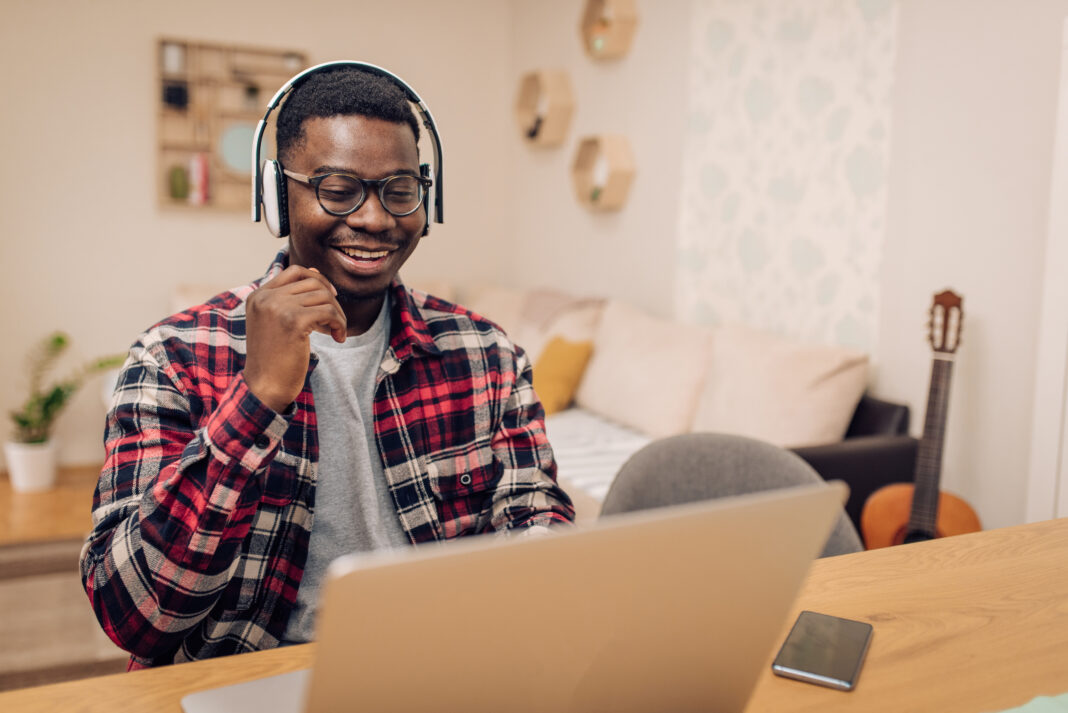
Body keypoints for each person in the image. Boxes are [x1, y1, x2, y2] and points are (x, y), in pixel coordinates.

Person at [79, 63, 575, 669]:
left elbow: (537, 514)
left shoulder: (487, 354)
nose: (375, 219)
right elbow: (135, 619)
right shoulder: (172, 357)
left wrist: (535, 571)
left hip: (439, 669)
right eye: (338, 190)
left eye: (400, 190)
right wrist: (256, 400)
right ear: (276, 198)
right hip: (253, 677)